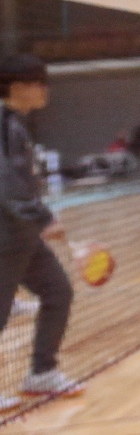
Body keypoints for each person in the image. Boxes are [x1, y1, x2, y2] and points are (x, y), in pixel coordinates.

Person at [0, 54, 77, 404]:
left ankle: (42, 373)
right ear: (18, 87)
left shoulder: (15, 123)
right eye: (39, 83)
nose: (46, 89)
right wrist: (42, 218)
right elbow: (6, 183)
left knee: (58, 291)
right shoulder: (3, 124)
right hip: (6, 236)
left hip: (22, 235)